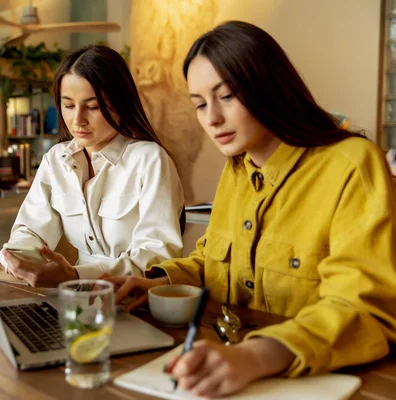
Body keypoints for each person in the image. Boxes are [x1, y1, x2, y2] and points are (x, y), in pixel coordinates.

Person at [106, 21, 396, 398]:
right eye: (199, 104)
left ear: (268, 87)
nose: (211, 118)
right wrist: (158, 284)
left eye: (226, 96)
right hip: (228, 366)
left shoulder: (352, 165)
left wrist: (254, 357)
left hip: (323, 381)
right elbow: (212, 261)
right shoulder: (238, 169)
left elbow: (362, 309)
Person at [0, 45, 185, 287]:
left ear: (120, 102)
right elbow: (30, 230)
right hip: (77, 294)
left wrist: (76, 275)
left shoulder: (150, 160)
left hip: (136, 297)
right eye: (68, 105)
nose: (78, 120)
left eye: (93, 106)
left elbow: (156, 260)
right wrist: (18, 257)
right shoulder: (56, 159)